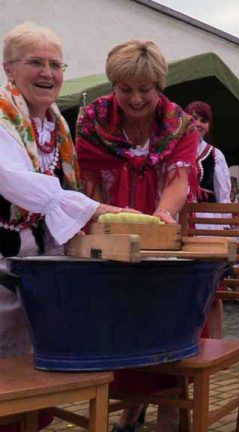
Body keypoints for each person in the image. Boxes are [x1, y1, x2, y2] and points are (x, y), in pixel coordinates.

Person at [0, 22, 132, 432]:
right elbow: (14, 179)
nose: (47, 73)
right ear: (9, 69)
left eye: (56, 65)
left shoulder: (55, 124)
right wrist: (96, 209)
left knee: (33, 358)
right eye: (34, 62)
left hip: (36, 259)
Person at [75, 40, 199, 432]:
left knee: (170, 311)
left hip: (165, 225)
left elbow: (179, 179)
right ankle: (131, 405)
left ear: (159, 87)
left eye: (145, 89)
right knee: (120, 315)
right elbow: (90, 181)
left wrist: (161, 216)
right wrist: (109, 225)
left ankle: (167, 409)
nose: (136, 98)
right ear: (113, 85)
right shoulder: (93, 119)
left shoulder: (180, 122)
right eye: (125, 89)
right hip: (112, 223)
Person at [185, 101, 231, 339]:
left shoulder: (215, 155)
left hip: (207, 222)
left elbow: (223, 198)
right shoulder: (174, 148)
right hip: (180, 223)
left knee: (213, 291)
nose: (198, 124)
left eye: (203, 120)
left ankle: (215, 342)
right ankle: (187, 339)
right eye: (193, 118)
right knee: (184, 287)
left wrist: (223, 233)